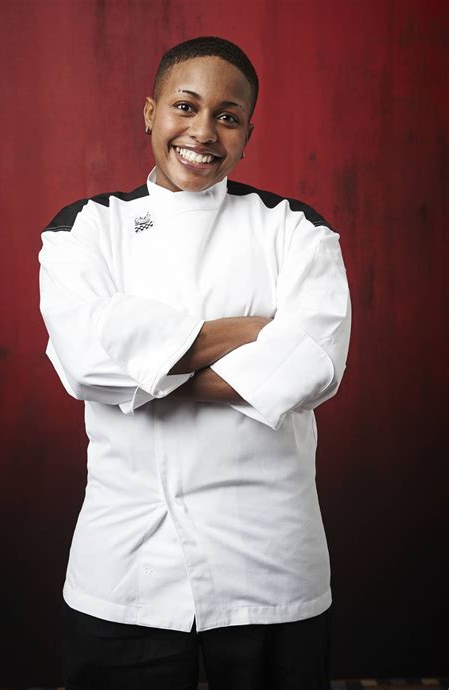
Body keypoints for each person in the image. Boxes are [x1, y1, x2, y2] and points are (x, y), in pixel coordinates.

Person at [39, 35, 351, 690]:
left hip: (269, 557)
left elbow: (314, 363)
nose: (203, 132)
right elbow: (86, 362)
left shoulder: (295, 228)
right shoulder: (87, 227)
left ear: (247, 134)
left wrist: (143, 374)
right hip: (125, 563)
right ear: (150, 111)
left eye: (227, 116)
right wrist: (248, 332)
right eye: (185, 106)